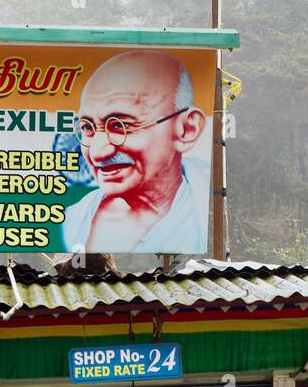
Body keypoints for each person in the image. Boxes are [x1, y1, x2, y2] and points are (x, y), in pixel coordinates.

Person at [62, 50, 209, 255]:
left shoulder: (207, 212)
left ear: (186, 129)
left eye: (121, 125)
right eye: (88, 128)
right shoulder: (72, 220)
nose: (97, 153)